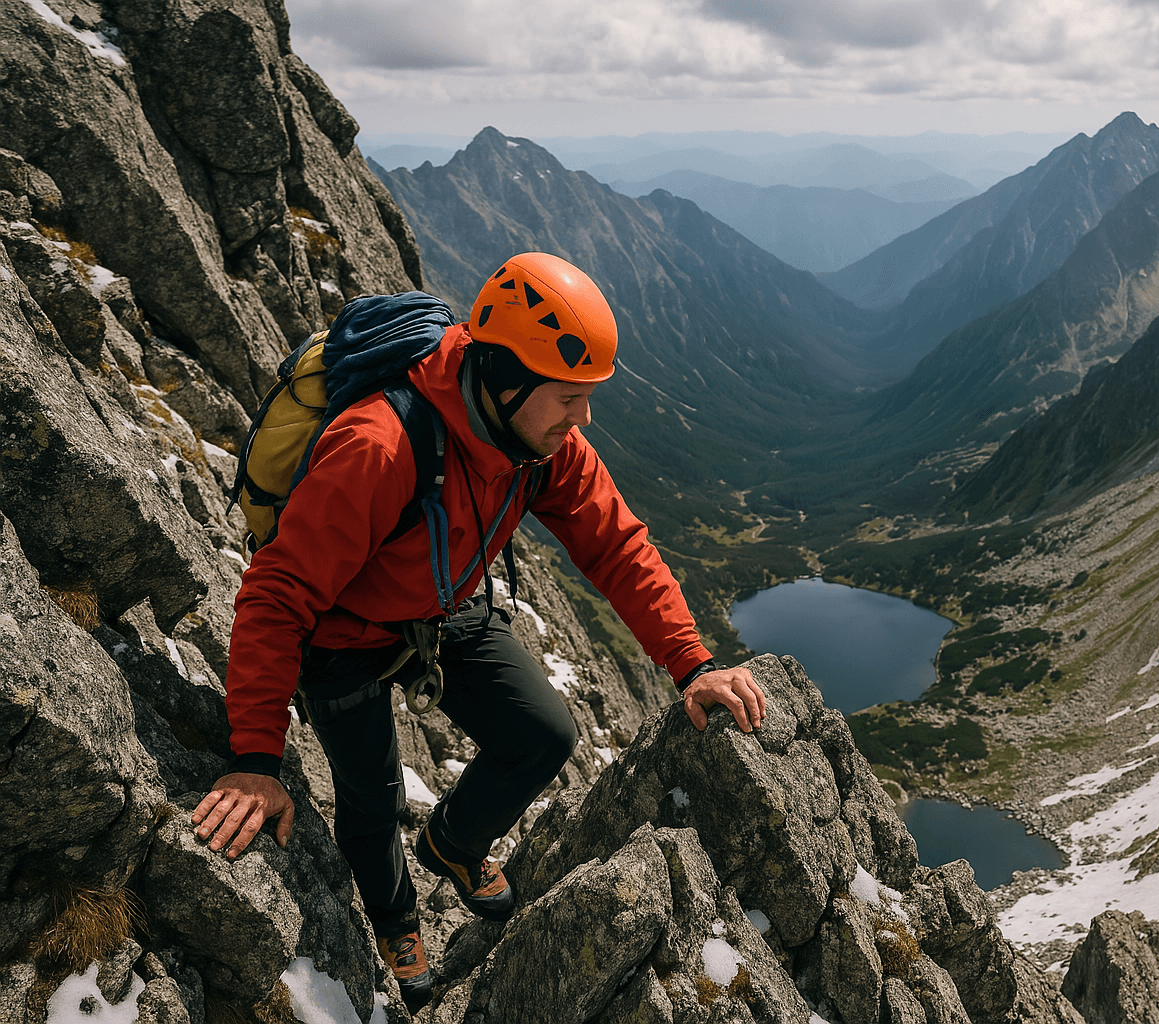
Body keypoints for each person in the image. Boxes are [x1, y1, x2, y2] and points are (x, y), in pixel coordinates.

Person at [191, 252, 766, 1012]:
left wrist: (692, 664)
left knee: (544, 733)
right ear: (503, 377)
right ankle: (396, 923)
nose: (582, 420)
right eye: (570, 398)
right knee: (372, 800)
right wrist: (256, 758)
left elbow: (616, 544)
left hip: (441, 608)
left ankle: (454, 844)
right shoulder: (379, 447)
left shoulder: (535, 444)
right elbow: (276, 595)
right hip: (344, 635)